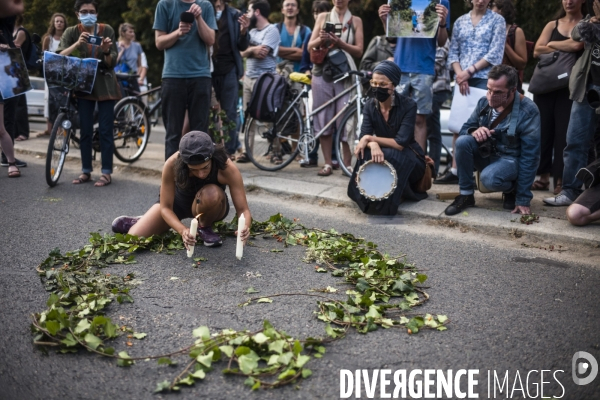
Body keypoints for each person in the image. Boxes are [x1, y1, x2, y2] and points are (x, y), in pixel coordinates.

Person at [112, 131, 252, 250]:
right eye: (193, 170)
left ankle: (204, 227)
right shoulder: (172, 164)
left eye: (205, 168)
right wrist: (182, 230)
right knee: (134, 238)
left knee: (211, 193)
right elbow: (166, 208)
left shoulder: (225, 166)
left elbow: (243, 210)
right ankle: (141, 220)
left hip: (211, 204)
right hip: (179, 203)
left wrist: (245, 227)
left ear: (212, 158)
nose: (201, 174)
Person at [444, 65, 541, 216]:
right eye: (489, 89)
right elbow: (465, 129)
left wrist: (523, 198)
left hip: (511, 160)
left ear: (513, 90)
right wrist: (474, 131)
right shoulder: (483, 103)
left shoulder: (528, 111)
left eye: (498, 92)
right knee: (462, 141)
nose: (491, 95)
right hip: (488, 154)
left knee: (489, 178)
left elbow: (531, 157)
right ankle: (466, 195)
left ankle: (512, 189)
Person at [435, 0, 505, 185]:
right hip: (462, 80)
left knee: (483, 127)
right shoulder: (460, 21)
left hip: (486, 79)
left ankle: (480, 173)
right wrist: (460, 75)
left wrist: (469, 71)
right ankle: (455, 170)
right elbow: (453, 52)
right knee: (459, 125)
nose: (480, 1)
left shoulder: (497, 20)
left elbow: (495, 53)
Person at [347, 61, 426, 215]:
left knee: (389, 155)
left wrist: (372, 139)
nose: (377, 87)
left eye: (382, 84)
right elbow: (364, 137)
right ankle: (370, 193)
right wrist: (372, 143)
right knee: (366, 152)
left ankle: (390, 199)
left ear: (394, 85)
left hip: (411, 158)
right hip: (387, 152)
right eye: (374, 83)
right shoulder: (370, 105)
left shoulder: (409, 105)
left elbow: (401, 143)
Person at [57, 0, 121, 187]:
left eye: (91, 11)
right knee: (84, 130)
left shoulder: (107, 30)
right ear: (77, 13)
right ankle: (86, 171)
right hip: (83, 86)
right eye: (84, 11)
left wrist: (107, 51)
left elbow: (112, 61)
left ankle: (106, 172)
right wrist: (78, 43)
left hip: (105, 85)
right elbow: (61, 55)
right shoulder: (71, 32)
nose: (88, 14)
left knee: (105, 130)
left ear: (97, 14)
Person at [544, 2, 600, 207]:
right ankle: (569, 191)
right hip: (586, 87)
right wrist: (593, 21)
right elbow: (576, 35)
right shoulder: (590, 22)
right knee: (575, 142)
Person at [378, 1, 450, 156]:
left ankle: (418, 167)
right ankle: (394, 162)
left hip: (423, 68)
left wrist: (443, 24)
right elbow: (392, 38)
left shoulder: (441, 1)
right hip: (400, 67)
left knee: (419, 119)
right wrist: (385, 21)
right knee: (394, 117)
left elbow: (442, 42)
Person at [531, 0, 586, 195]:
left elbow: (578, 44)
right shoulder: (552, 24)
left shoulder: (586, 23)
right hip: (546, 86)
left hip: (570, 88)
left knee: (565, 134)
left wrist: (552, 44)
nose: (569, 1)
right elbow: (537, 50)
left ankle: (561, 180)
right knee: (543, 132)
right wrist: (565, 45)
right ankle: (542, 178)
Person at [154, 0, 217, 160]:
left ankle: (199, 178)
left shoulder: (206, 6)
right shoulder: (165, 5)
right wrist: (178, 32)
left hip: (201, 76)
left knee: (201, 133)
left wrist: (199, 18)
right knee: (173, 133)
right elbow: (159, 43)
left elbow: (211, 39)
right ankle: (171, 181)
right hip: (173, 76)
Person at [308, 0, 364, 176]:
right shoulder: (323, 17)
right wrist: (322, 39)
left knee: (346, 118)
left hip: (345, 72)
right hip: (322, 72)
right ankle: (327, 163)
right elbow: (310, 46)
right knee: (323, 116)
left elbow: (359, 50)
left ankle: (346, 164)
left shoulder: (355, 21)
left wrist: (340, 43)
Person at [238, 0, 281, 164]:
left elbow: (263, 53)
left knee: (268, 117)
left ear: (257, 12)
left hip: (264, 80)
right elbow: (241, 52)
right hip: (248, 79)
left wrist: (250, 51)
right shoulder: (250, 31)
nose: (247, 15)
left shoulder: (272, 30)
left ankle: (276, 152)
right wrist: (251, 50)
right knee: (248, 117)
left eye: (249, 11)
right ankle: (247, 152)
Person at [211, 0, 249, 159]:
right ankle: (212, 149)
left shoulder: (235, 15)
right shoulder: (204, 11)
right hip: (208, 70)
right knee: (209, 113)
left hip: (229, 70)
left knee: (229, 112)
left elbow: (243, 46)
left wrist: (244, 31)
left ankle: (229, 150)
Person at [297, 0, 332, 169]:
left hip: (330, 79)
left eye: (324, 12)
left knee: (330, 120)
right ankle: (312, 154)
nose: (320, 15)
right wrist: (307, 72)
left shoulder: (333, 35)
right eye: (317, 12)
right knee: (313, 119)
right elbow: (305, 59)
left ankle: (332, 156)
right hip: (313, 80)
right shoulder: (310, 35)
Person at [0, 0, 24, 178]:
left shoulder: (7, 23)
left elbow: (17, 7)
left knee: (1, 127)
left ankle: (11, 162)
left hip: (5, 73)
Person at [38, 13, 67, 138]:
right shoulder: (48, 39)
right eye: (57, 21)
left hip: (64, 73)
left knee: (62, 100)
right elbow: (44, 55)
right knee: (49, 100)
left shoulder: (67, 38)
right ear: (53, 23)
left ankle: (61, 128)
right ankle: (49, 128)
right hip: (50, 73)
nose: (59, 23)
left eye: (61, 21)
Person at [426, 41, 452, 176]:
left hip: (438, 88)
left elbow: (438, 62)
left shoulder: (442, 38)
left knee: (425, 125)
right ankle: (430, 169)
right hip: (426, 88)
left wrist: (419, 73)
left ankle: (430, 169)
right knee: (431, 127)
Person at [492, 0, 528, 92]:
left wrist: (504, 43)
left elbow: (521, 64)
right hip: (488, 81)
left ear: (501, 10)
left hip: (507, 85)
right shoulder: (486, 30)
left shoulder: (515, 31)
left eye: (492, 6)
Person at [277, 0, 312, 74]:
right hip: (279, 77)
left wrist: (279, 52)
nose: (290, 7)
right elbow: (273, 49)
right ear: (282, 10)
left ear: (298, 10)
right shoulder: (275, 29)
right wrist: (296, 49)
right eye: (287, 5)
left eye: (293, 5)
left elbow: (304, 54)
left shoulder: (305, 30)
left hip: (299, 77)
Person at [11, 14, 30, 142]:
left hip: (18, 69)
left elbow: (14, 46)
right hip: (11, 68)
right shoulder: (10, 30)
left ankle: (23, 132)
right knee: (12, 103)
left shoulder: (21, 31)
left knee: (20, 103)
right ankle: (15, 131)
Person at [116, 22, 143, 93]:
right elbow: (113, 62)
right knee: (122, 102)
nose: (133, 34)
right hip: (119, 78)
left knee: (137, 101)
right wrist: (121, 51)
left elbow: (139, 65)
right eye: (130, 32)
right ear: (123, 33)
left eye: (133, 32)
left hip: (132, 77)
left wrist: (138, 76)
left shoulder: (137, 46)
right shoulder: (116, 45)